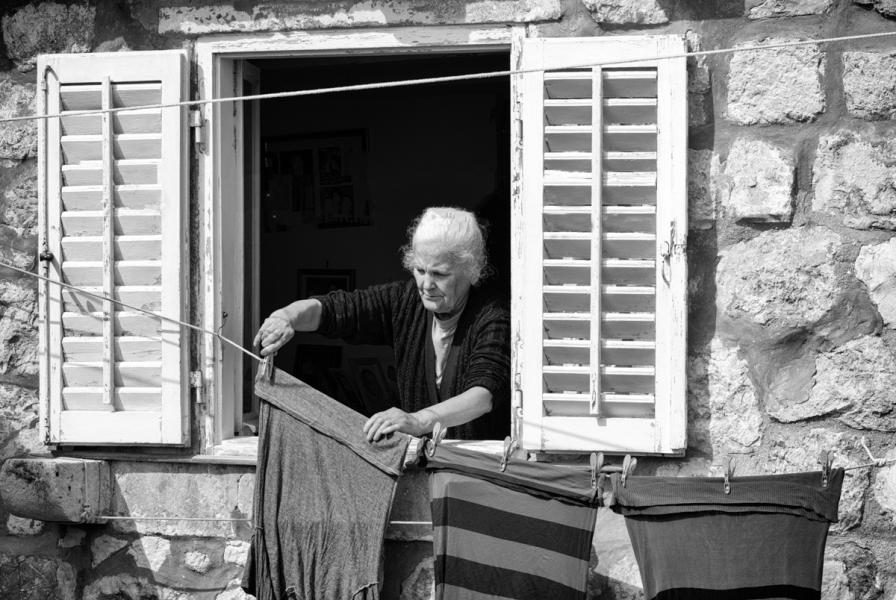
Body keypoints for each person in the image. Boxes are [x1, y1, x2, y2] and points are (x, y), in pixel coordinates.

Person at [254, 207, 510, 442]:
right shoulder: (405, 300)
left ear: (471, 270)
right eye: (420, 270)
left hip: (480, 471)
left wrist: (417, 420)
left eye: (440, 274)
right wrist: (287, 317)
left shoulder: (492, 315)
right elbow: (338, 310)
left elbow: (483, 394)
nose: (426, 285)